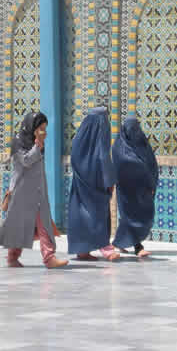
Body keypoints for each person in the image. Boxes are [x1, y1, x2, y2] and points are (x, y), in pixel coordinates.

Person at [0, 112, 68, 269]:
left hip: (37, 191)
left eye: (45, 129)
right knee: (19, 226)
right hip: (21, 193)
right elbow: (25, 161)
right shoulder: (18, 143)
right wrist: (38, 145)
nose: (43, 132)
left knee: (43, 223)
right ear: (31, 128)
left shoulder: (36, 144)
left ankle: (49, 257)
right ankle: (12, 256)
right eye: (40, 128)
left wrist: (38, 145)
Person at [67, 107, 120, 261]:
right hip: (96, 184)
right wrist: (109, 181)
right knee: (98, 213)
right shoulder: (100, 134)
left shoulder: (79, 138)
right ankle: (106, 248)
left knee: (80, 215)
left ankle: (82, 251)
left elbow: (75, 159)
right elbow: (103, 157)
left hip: (81, 184)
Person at [112, 117, 158, 258]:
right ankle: (138, 247)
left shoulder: (142, 143)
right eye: (132, 128)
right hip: (127, 189)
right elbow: (122, 166)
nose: (135, 131)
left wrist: (151, 182)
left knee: (143, 216)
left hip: (143, 189)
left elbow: (151, 163)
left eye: (137, 127)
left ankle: (119, 243)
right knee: (131, 217)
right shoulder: (119, 147)